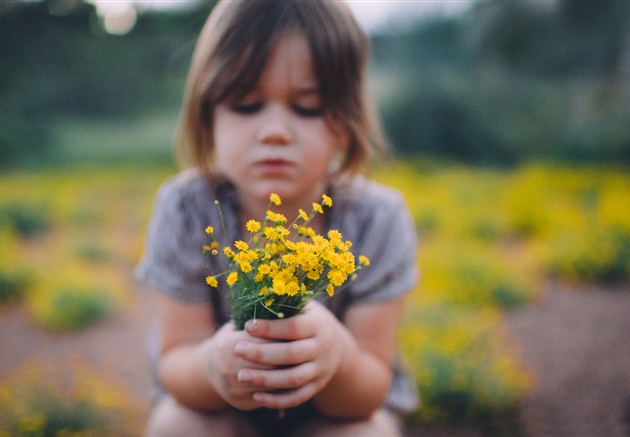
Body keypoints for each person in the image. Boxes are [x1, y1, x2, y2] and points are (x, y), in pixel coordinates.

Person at [135, 1, 419, 436]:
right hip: (222, 414)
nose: (274, 131)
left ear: (346, 121)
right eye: (246, 104)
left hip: (329, 419)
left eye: (308, 106)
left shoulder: (377, 219)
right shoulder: (186, 208)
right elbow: (176, 362)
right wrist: (212, 366)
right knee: (175, 424)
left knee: (372, 432)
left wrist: (337, 358)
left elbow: (370, 391)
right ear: (208, 115)